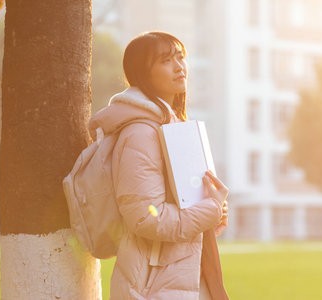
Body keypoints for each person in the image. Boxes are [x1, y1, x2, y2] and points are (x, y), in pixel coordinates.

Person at [89, 31, 229, 299]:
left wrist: (214, 210)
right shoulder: (141, 134)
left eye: (180, 57)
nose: (179, 66)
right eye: (166, 60)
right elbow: (145, 217)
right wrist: (209, 209)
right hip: (154, 285)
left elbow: (185, 207)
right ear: (143, 73)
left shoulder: (174, 128)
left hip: (183, 277)